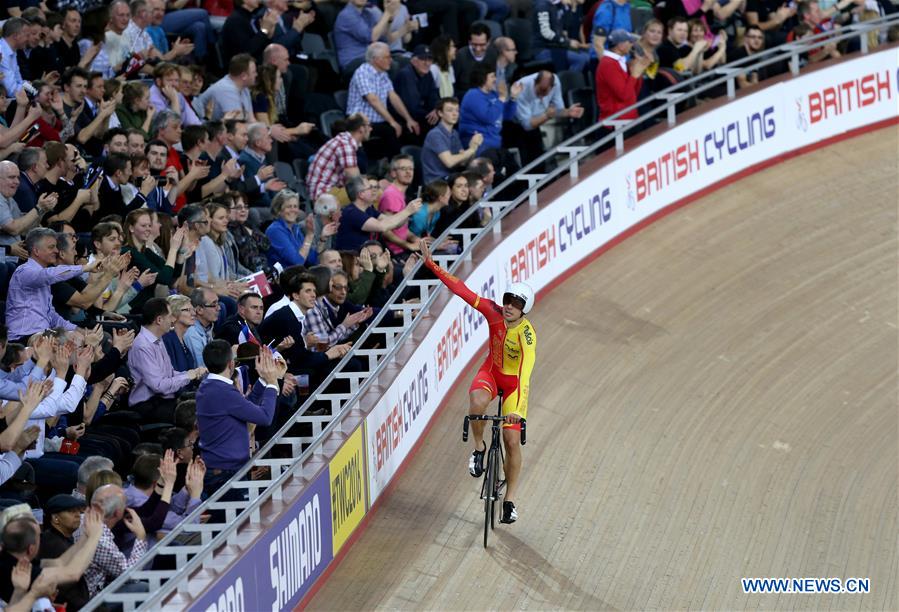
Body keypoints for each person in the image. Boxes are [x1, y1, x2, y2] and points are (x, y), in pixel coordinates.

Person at [420, 240, 536, 524]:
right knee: (476, 402)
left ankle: (509, 501)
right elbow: (462, 290)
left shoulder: (527, 335)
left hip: (513, 387)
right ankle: (480, 448)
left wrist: (517, 411)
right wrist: (431, 264)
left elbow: (524, 375)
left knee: (511, 441)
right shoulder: (493, 311)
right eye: (508, 300)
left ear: (524, 310)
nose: (508, 306)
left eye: (516, 304)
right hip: (491, 372)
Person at [196, 339, 284, 498]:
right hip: (226, 473)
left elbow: (245, 407)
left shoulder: (208, 386)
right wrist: (272, 383)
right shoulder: (223, 391)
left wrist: (263, 379)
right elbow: (265, 417)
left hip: (222, 469)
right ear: (231, 364)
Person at [5, 228, 101, 341]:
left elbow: (51, 315)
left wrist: (80, 330)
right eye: (51, 247)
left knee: (90, 337)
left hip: (43, 333)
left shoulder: (44, 276)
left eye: (55, 246)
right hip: (23, 335)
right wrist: (85, 268)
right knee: (77, 341)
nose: (56, 250)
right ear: (36, 251)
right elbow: (49, 274)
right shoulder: (24, 271)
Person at [127, 297, 207, 423]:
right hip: (148, 405)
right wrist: (188, 376)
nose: (172, 319)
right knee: (199, 413)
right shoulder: (142, 346)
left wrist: (192, 373)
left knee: (208, 401)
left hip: (163, 400)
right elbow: (159, 386)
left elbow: (169, 373)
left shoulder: (158, 340)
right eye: (170, 316)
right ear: (159, 320)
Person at [347, 42, 420, 160]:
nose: (391, 60)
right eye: (387, 57)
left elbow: (393, 97)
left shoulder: (383, 75)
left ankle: (408, 166)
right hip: (360, 121)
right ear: (376, 59)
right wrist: (392, 121)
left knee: (410, 130)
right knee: (391, 130)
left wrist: (409, 119)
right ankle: (395, 168)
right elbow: (372, 100)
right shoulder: (362, 72)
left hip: (379, 121)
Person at [333, 175, 422, 253]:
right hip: (350, 263)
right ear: (361, 194)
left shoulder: (368, 209)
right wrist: (407, 211)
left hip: (366, 259)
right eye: (370, 188)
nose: (374, 190)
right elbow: (382, 227)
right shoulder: (352, 213)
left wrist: (409, 213)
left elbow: (393, 224)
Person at [513, 71, 585, 162]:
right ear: (535, 82)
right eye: (540, 90)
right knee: (528, 160)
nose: (542, 96)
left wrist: (568, 112)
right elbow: (527, 125)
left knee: (540, 159)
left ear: (552, 87)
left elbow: (557, 111)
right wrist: (547, 116)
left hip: (536, 123)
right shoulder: (521, 88)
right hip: (516, 126)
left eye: (545, 91)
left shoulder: (556, 82)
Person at [458, 63, 522, 157]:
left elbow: (507, 116)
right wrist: (502, 98)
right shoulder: (473, 95)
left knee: (513, 166)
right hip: (479, 145)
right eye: (492, 76)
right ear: (483, 78)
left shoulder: (494, 94)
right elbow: (488, 117)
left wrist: (513, 98)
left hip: (495, 143)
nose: (495, 79)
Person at [306, 114, 370, 202]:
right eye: (369, 125)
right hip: (323, 195)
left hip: (332, 190)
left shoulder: (345, 140)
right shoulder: (345, 144)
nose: (371, 129)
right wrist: (370, 187)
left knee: (371, 193)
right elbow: (355, 177)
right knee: (370, 196)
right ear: (361, 128)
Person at [421, 97, 482, 185]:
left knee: (481, 174)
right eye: (450, 110)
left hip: (451, 178)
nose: (455, 114)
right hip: (436, 182)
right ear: (440, 113)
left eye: (457, 110)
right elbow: (449, 162)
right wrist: (471, 150)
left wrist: (474, 146)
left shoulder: (454, 133)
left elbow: (463, 162)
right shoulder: (435, 134)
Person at [595, 30, 652, 122]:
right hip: (617, 123)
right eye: (629, 42)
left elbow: (633, 93)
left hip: (628, 118)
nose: (632, 45)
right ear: (620, 45)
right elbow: (624, 96)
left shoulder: (620, 62)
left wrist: (638, 70)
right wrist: (634, 75)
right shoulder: (608, 64)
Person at [532, 0, 590, 72]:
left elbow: (563, 28)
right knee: (580, 60)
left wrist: (567, 8)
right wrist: (567, 42)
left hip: (556, 46)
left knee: (588, 57)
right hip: (543, 49)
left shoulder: (555, 5)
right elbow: (546, 33)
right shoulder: (542, 6)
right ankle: (566, 82)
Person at [392, 45, 440, 129]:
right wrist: (431, 113)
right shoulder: (406, 74)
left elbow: (434, 96)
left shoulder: (428, 74)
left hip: (421, 113)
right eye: (423, 59)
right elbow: (412, 106)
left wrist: (435, 109)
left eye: (429, 60)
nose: (427, 63)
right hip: (405, 117)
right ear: (413, 61)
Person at [452, 23, 498, 96]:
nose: (478, 49)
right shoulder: (460, 56)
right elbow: (453, 83)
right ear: (469, 42)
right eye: (474, 44)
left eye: (482, 45)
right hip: (464, 96)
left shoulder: (492, 54)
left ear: (488, 42)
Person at [162, 294, 198, 372]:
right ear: (173, 314)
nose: (193, 313)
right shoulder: (167, 340)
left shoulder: (181, 338)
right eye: (188, 310)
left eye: (193, 309)